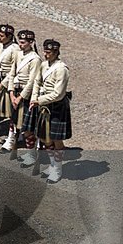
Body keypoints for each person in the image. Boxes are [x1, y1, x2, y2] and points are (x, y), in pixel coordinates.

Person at [21, 39, 72, 183]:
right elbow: (37, 82)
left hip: (56, 107)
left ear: (56, 52)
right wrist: (34, 98)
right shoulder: (43, 65)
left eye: (48, 52)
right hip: (42, 105)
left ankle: (58, 168)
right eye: (44, 51)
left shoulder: (62, 69)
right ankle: (52, 164)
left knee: (56, 139)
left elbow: (58, 93)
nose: (45, 54)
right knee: (44, 137)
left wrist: (39, 100)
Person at [0, 29, 40, 153]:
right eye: (20, 42)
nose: (20, 45)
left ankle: (31, 152)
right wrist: (10, 92)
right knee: (13, 119)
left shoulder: (35, 59)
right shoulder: (18, 54)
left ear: (31, 42)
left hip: (26, 94)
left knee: (26, 126)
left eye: (24, 43)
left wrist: (20, 97)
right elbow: (12, 73)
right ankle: (11, 140)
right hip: (14, 90)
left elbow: (32, 81)